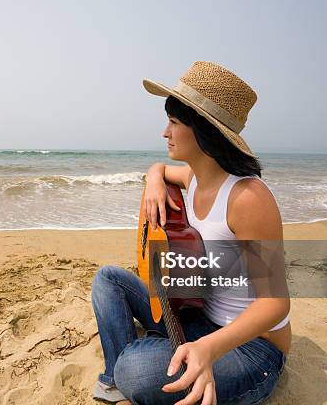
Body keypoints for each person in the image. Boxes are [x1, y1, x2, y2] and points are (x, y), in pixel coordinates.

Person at [91, 61, 291, 405]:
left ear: (203, 131)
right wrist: (154, 178)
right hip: (200, 316)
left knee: (138, 370)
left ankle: (132, 369)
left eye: (173, 122)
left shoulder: (248, 199)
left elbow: (275, 303)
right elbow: (161, 169)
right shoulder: (196, 177)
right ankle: (115, 380)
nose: (164, 133)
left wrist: (208, 348)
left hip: (252, 348)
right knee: (108, 280)